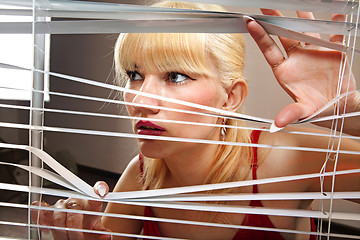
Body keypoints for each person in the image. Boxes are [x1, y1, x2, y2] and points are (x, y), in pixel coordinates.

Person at [31, 1, 360, 240]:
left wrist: (352, 113)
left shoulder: (286, 160)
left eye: (175, 76)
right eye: (134, 75)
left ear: (230, 98)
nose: (141, 101)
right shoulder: (140, 176)